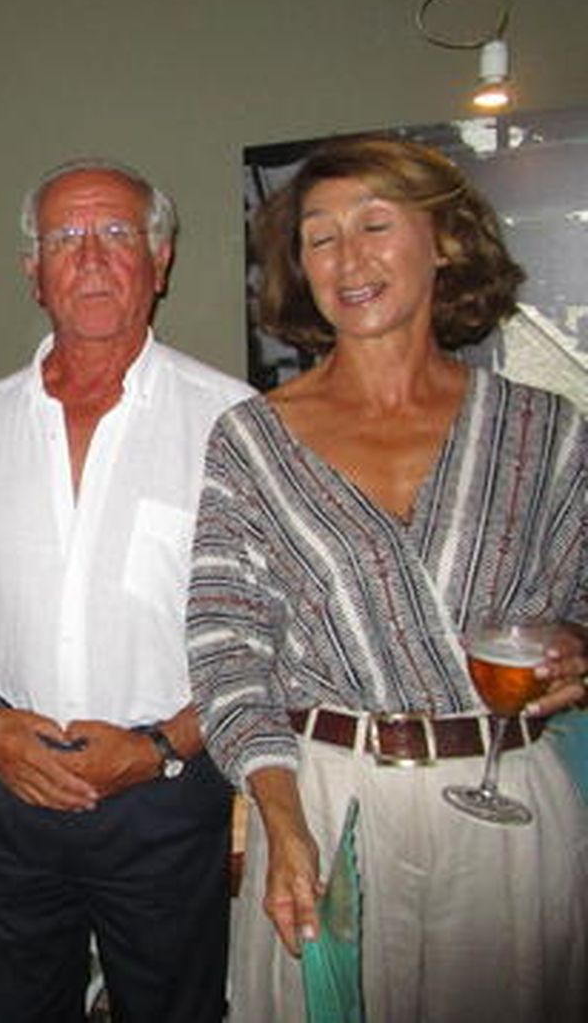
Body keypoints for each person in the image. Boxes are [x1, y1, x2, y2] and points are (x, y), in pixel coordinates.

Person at [187, 137, 588, 1022]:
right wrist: (281, 818)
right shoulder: (251, 442)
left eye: (374, 225)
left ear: (443, 240)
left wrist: (577, 649)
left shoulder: (542, 431)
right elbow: (226, 653)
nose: (346, 259)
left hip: (506, 803)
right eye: (319, 238)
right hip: (331, 803)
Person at [0, 159, 253, 1021]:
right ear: (33, 272)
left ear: (160, 259)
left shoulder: (233, 422)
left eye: (116, 234)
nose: (91, 258)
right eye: (64, 238)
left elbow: (263, 636)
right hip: (8, 802)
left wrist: (160, 748)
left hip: (165, 802)